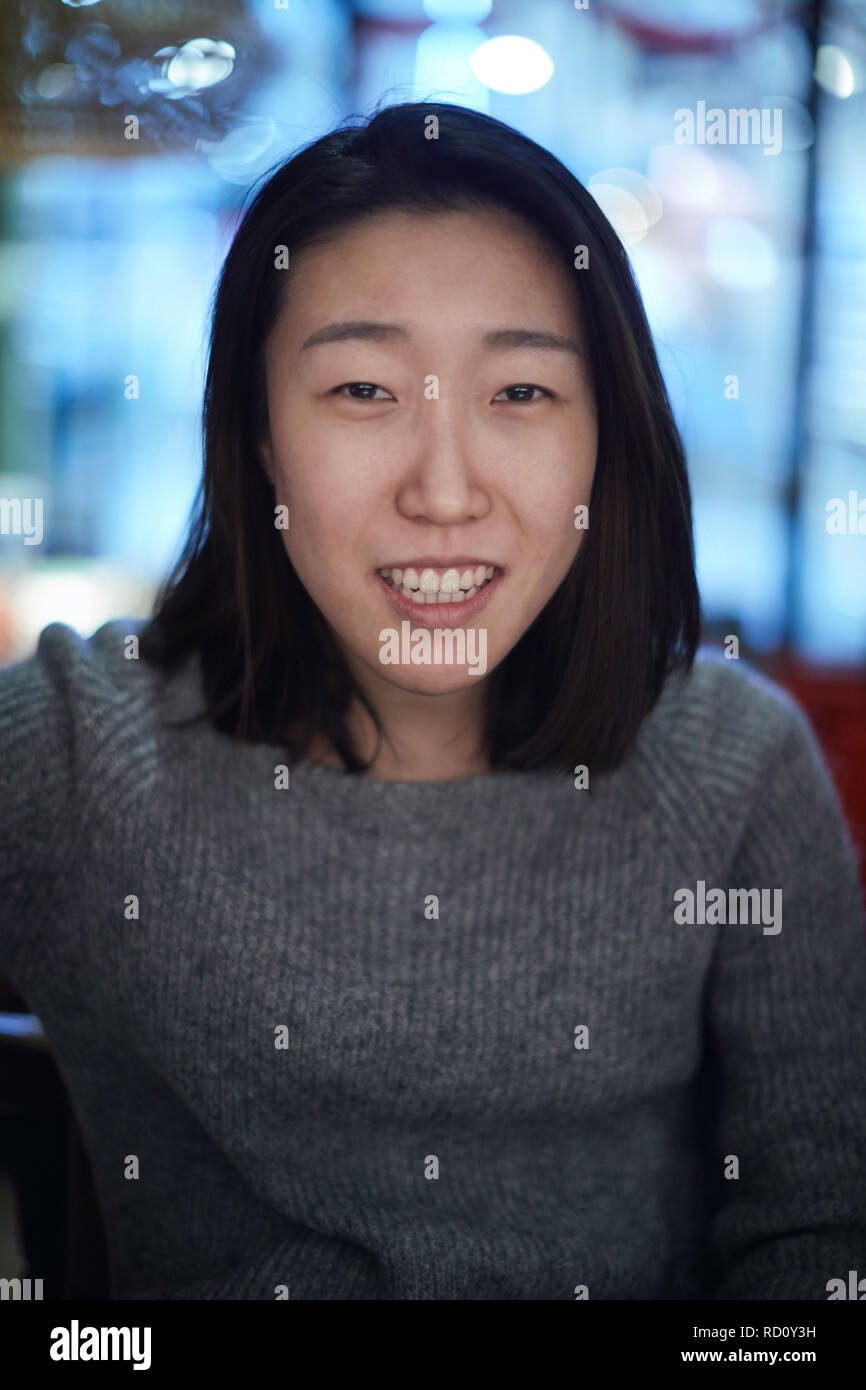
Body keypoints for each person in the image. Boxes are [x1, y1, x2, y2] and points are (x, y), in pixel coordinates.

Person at [1, 100, 864, 1301]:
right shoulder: (78, 755)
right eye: (362, 390)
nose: (445, 491)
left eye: (518, 394)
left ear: (603, 437)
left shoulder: (730, 770)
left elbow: (819, 1242)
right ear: (253, 435)